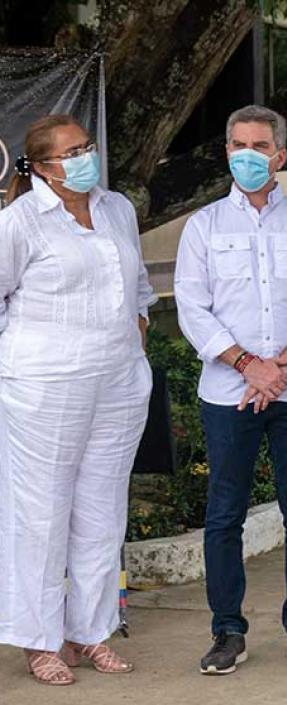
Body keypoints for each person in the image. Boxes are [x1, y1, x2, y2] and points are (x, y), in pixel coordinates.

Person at [174, 105, 287, 675]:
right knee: (225, 514)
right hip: (228, 392)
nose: (248, 155)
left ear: (281, 155)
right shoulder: (204, 226)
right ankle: (227, 631)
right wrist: (248, 364)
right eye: (238, 145)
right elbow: (192, 307)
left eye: (260, 146)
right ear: (227, 152)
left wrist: (283, 364)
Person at [0, 115, 156, 685]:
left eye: (86, 147)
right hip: (45, 386)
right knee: (40, 515)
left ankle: (90, 630)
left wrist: (139, 327)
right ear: (42, 167)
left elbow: (138, 284)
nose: (85, 158)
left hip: (118, 381)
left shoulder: (116, 208)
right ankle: (39, 640)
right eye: (70, 153)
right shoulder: (19, 221)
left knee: (102, 510)